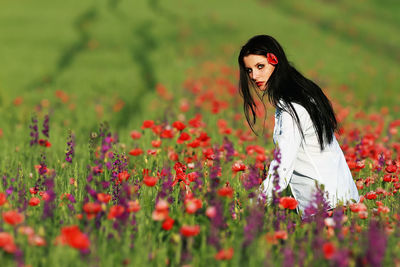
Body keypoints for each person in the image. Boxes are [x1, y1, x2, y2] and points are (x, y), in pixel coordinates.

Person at [238, 35, 359, 213]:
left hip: (326, 206)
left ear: (275, 61)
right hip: (343, 198)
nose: (254, 76)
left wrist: (251, 208)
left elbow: (282, 168)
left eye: (260, 66)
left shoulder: (291, 109)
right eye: (249, 70)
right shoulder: (305, 95)